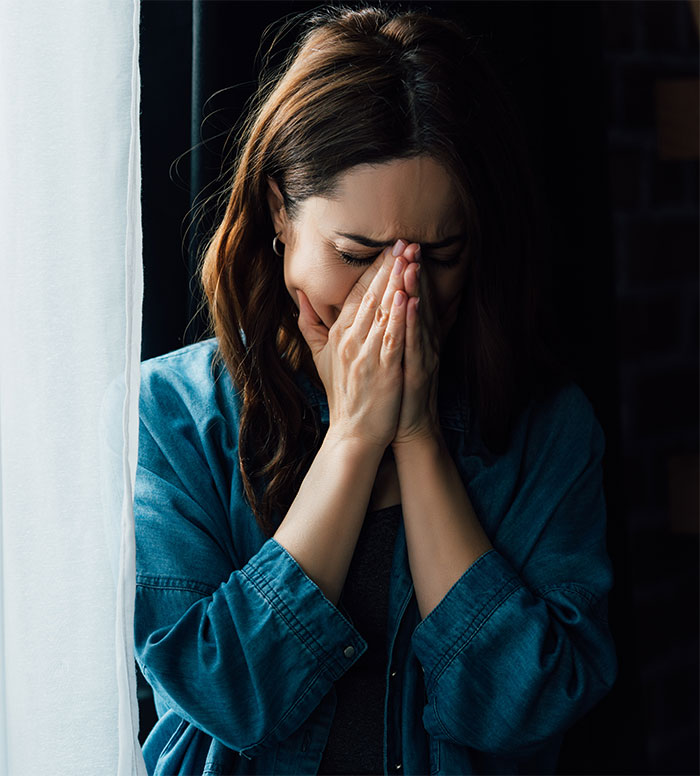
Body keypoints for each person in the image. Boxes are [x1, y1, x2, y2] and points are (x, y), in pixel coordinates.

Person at [133, 6, 617, 775]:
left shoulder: (546, 429)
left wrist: (416, 436)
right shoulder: (169, 417)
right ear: (278, 218)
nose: (395, 299)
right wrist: (353, 440)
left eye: (439, 255)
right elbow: (220, 699)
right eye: (356, 254)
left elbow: (530, 702)